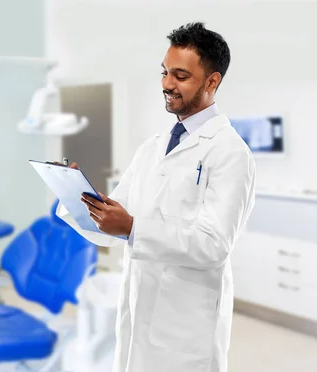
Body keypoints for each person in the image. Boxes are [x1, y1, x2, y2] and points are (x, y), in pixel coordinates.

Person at [55, 22, 256, 372]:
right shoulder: (152, 147)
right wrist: (76, 197)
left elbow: (213, 244)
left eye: (180, 75)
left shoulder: (230, 153)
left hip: (185, 326)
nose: (166, 84)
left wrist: (133, 228)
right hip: (140, 309)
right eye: (165, 72)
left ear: (212, 81)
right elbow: (114, 225)